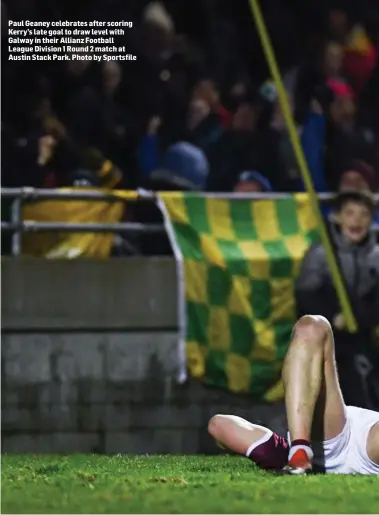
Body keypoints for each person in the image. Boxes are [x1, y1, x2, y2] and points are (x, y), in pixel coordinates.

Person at [208, 315, 379, 475]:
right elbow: (219, 425)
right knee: (311, 326)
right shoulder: (283, 448)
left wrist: (275, 455)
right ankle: (300, 452)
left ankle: (299, 452)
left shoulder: (277, 452)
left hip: (359, 442)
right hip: (334, 437)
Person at [296, 190, 379, 409]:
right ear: (337, 217)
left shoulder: (376, 254)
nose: (357, 220)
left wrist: (366, 318)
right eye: (350, 213)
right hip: (329, 342)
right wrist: (332, 317)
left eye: (364, 215)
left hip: (365, 340)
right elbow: (305, 296)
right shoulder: (321, 254)